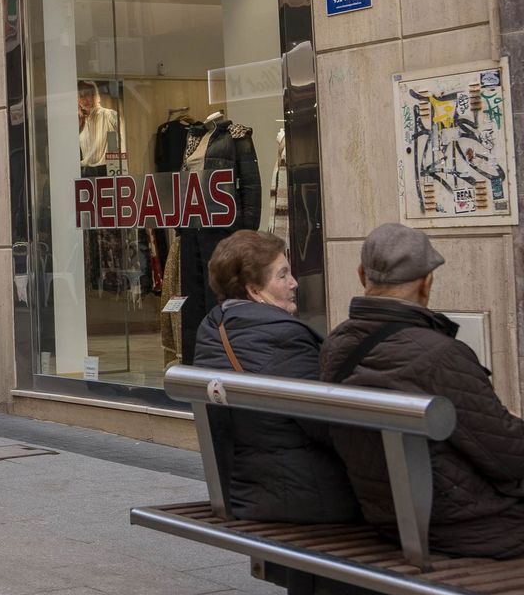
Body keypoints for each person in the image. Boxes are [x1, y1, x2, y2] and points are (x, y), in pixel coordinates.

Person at [322, 224, 524, 561]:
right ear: (427, 281)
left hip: (388, 515)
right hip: (469, 524)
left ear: (362, 275)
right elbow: (508, 456)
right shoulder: (438, 355)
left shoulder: (336, 345)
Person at [192, 230, 358, 523]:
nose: (294, 283)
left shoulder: (212, 330)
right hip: (303, 494)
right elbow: (326, 425)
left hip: (246, 489)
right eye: (282, 275)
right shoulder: (281, 336)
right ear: (254, 290)